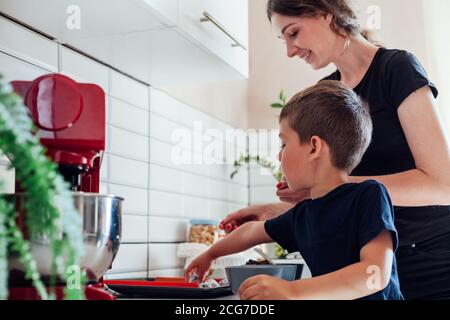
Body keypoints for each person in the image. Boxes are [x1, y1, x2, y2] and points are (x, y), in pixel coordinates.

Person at [220, 0, 450, 300]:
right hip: (358, 270)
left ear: (324, 14)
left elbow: (442, 185)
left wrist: (338, 187)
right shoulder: (331, 93)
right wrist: (276, 213)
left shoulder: (397, 70)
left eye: (293, 33)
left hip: (429, 264)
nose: (290, 51)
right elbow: (340, 197)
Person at [186, 81, 403, 300]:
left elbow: (376, 275)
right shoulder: (304, 214)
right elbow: (252, 232)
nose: (279, 156)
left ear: (313, 147)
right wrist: (210, 255)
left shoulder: (369, 196)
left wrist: (292, 290)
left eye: (283, 144)